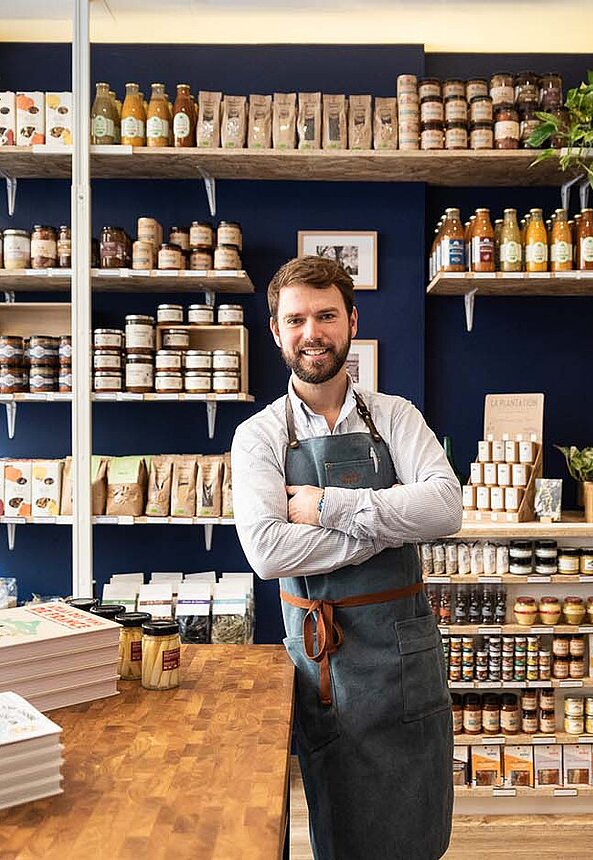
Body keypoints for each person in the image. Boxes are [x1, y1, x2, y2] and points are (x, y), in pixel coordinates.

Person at [231, 256, 462, 860]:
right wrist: (388, 526)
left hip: (406, 655)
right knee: (344, 829)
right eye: (298, 319)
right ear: (277, 331)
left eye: (327, 315)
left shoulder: (397, 416)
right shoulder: (258, 436)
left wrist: (328, 504)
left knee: (420, 828)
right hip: (326, 664)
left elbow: (444, 509)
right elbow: (268, 550)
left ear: (351, 321)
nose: (314, 332)